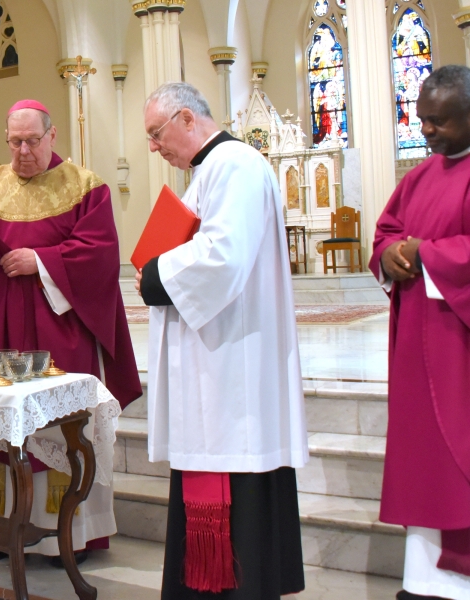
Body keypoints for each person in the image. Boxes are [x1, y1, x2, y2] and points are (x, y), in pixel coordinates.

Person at [0, 99, 141, 565]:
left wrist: (41, 261)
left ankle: (63, 533)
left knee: (58, 425)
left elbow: (100, 255)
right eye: (15, 142)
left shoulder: (86, 186)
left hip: (58, 329)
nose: (23, 151)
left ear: (52, 135)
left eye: (32, 141)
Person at [135, 82, 307, 599]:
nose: (153, 146)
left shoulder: (235, 164)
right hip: (214, 363)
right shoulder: (209, 172)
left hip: (232, 370)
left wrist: (156, 274)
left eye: (156, 133)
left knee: (235, 489)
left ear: (187, 119)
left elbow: (223, 256)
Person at [370, 65, 470, 600]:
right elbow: (387, 230)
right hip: (416, 342)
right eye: (422, 119)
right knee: (424, 463)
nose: (426, 131)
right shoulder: (417, 177)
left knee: (459, 460)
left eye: (440, 122)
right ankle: (424, 579)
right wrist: (389, 252)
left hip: (460, 348)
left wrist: (425, 253)